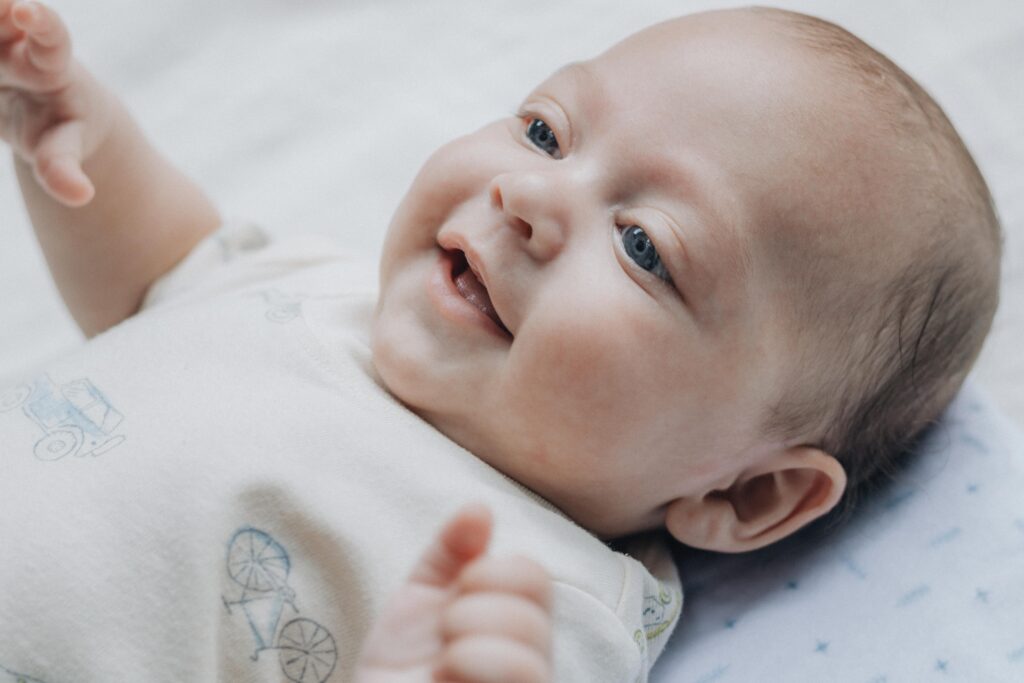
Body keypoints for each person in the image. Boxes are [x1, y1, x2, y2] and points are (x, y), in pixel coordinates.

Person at [0, 1, 1000, 681]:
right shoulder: (319, 285)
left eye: (644, 245)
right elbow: (159, 276)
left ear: (744, 491)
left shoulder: (534, 591)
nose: (527, 196)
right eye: (544, 131)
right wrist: (78, 129)